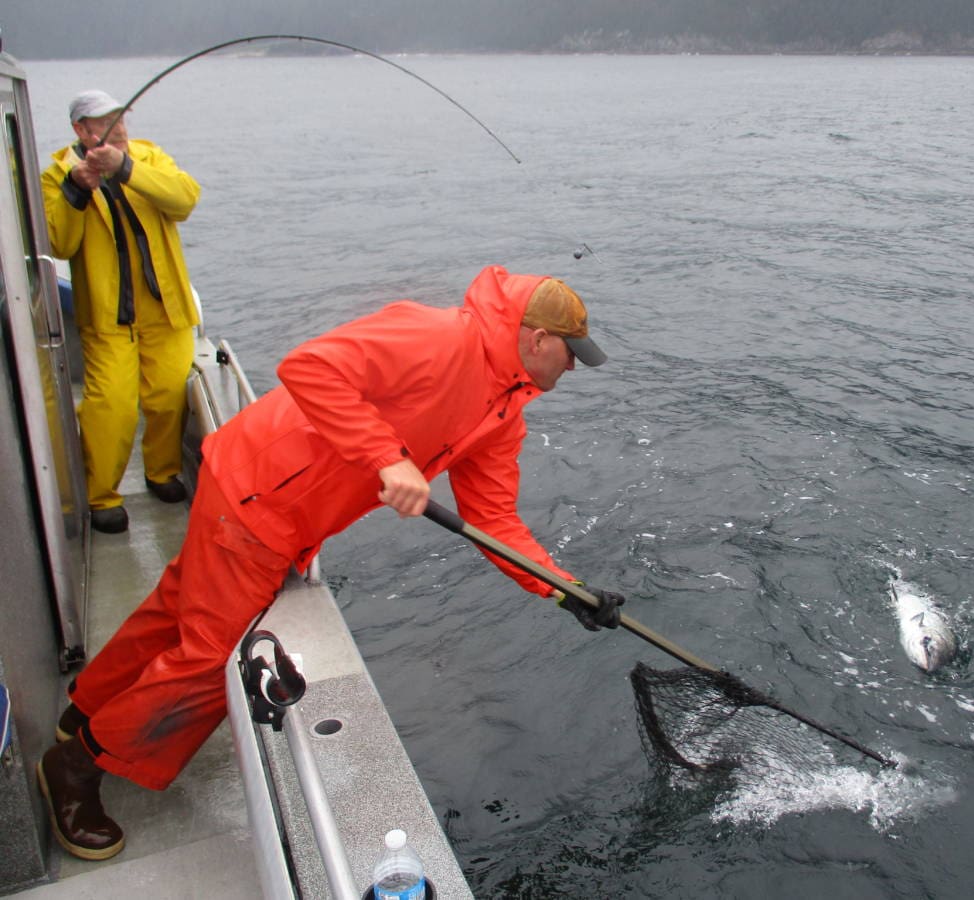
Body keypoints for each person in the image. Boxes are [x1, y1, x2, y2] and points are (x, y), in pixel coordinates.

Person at [38, 265, 626, 860]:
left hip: (282, 509)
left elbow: (494, 519)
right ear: (537, 340)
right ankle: (74, 768)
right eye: (570, 353)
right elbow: (309, 368)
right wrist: (389, 458)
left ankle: (82, 710)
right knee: (212, 658)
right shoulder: (436, 337)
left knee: (177, 608)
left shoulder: (503, 413)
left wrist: (564, 590)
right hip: (261, 496)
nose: (573, 367)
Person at [41, 89, 202, 534]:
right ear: (81, 130)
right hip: (109, 316)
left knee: (169, 394)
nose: (119, 130)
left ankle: (162, 472)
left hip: (164, 307)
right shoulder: (57, 176)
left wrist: (127, 170)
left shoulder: (150, 158)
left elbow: (184, 200)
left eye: (121, 119)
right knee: (110, 406)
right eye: (106, 123)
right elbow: (59, 243)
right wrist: (76, 190)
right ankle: (102, 495)